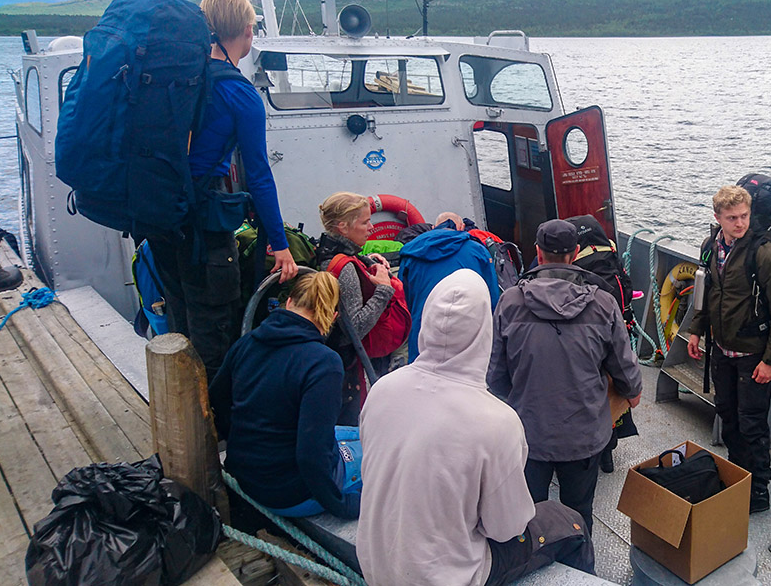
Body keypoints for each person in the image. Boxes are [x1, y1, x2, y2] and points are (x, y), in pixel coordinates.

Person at [358, 269, 594, 586]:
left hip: (376, 565)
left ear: (425, 321)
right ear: (485, 330)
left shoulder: (382, 390)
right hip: (444, 578)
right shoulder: (497, 421)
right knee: (568, 521)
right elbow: (506, 528)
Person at [147, 0, 297, 380]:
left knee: (181, 318)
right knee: (218, 330)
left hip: (161, 220)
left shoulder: (178, 80)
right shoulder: (238, 93)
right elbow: (259, 175)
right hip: (204, 230)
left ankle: (183, 413)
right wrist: (279, 246)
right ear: (247, 33)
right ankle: (221, 428)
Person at [487, 219, 642, 533]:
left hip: (528, 434)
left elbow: (496, 378)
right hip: (583, 437)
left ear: (538, 254)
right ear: (575, 254)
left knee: (528, 515)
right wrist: (632, 391)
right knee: (579, 513)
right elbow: (624, 368)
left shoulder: (510, 302)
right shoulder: (603, 303)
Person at [209, 272, 361, 519]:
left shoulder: (246, 343)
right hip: (289, 493)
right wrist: (340, 505)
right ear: (333, 318)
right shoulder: (324, 363)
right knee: (386, 456)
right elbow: (310, 454)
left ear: (289, 302)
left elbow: (218, 399)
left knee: (361, 435)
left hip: (246, 473)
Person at [683, 185, 771, 513]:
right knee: (727, 416)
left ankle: (758, 490)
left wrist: (770, 361)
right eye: (732, 218)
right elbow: (707, 293)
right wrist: (695, 332)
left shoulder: (764, 254)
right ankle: (737, 476)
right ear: (717, 217)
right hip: (721, 350)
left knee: (752, 423)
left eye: (744, 216)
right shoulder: (710, 247)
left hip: (752, 357)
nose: (740, 223)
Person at [315, 192, 409, 424]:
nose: (371, 227)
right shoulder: (345, 269)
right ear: (343, 227)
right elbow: (354, 329)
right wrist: (384, 290)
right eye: (365, 222)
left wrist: (367, 261)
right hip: (346, 364)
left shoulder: (324, 251)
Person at [568, 214, 638, 474]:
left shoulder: (575, 263)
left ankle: (593, 454)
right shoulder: (610, 253)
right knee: (611, 393)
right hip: (615, 335)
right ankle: (608, 453)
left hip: (588, 342)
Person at [398, 217, 498, 363]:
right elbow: (492, 299)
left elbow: (403, 301)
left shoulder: (411, 254)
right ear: (461, 226)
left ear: (433, 227)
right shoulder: (478, 251)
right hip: (467, 338)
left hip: (422, 337)